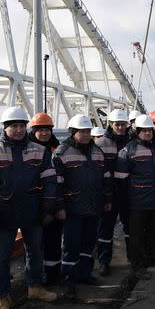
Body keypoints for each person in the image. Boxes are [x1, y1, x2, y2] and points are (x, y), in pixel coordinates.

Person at [0, 107, 58, 308]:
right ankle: (2, 296)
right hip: (4, 212)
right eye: (13, 126)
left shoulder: (39, 150)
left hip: (32, 209)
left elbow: (49, 179)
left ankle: (35, 287)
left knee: (35, 252)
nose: (17, 130)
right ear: (5, 128)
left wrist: (49, 203)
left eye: (21, 126)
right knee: (2, 256)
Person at [53, 114, 112, 298]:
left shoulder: (96, 152)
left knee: (88, 244)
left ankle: (84, 274)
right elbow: (56, 184)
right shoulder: (62, 153)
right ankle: (69, 281)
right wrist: (60, 207)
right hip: (72, 209)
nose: (86, 135)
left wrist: (108, 198)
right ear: (73, 132)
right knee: (71, 246)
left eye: (88, 131)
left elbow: (106, 177)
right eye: (82, 132)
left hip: (93, 206)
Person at [115, 115, 155, 279]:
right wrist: (126, 202)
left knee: (154, 231)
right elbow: (121, 180)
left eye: (149, 130)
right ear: (137, 131)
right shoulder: (127, 151)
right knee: (136, 235)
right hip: (137, 201)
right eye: (143, 131)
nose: (147, 133)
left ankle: (154, 258)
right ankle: (137, 265)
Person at [28, 113, 62, 285]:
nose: (44, 133)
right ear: (33, 131)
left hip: (54, 203)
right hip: (34, 205)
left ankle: (53, 275)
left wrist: (57, 206)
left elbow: (62, 179)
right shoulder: (26, 149)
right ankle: (36, 278)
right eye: (40, 130)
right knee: (35, 244)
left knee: (54, 241)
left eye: (47, 129)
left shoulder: (57, 148)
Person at [96, 109, 130, 276]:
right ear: (110, 124)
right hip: (108, 193)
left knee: (130, 226)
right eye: (118, 124)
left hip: (127, 192)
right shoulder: (101, 143)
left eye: (123, 124)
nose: (121, 127)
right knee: (105, 229)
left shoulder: (131, 141)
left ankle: (133, 257)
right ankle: (104, 262)